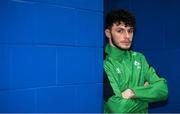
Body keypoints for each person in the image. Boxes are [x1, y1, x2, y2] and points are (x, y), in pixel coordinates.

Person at [103, 9, 168, 113]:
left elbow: (163, 90)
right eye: (120, 31)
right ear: (108, 33)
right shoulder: (103, 63)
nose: (127, 36)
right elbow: (118, 109)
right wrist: (146, 96)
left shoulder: (140, 58)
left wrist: (133, 92)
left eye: (130, 31)